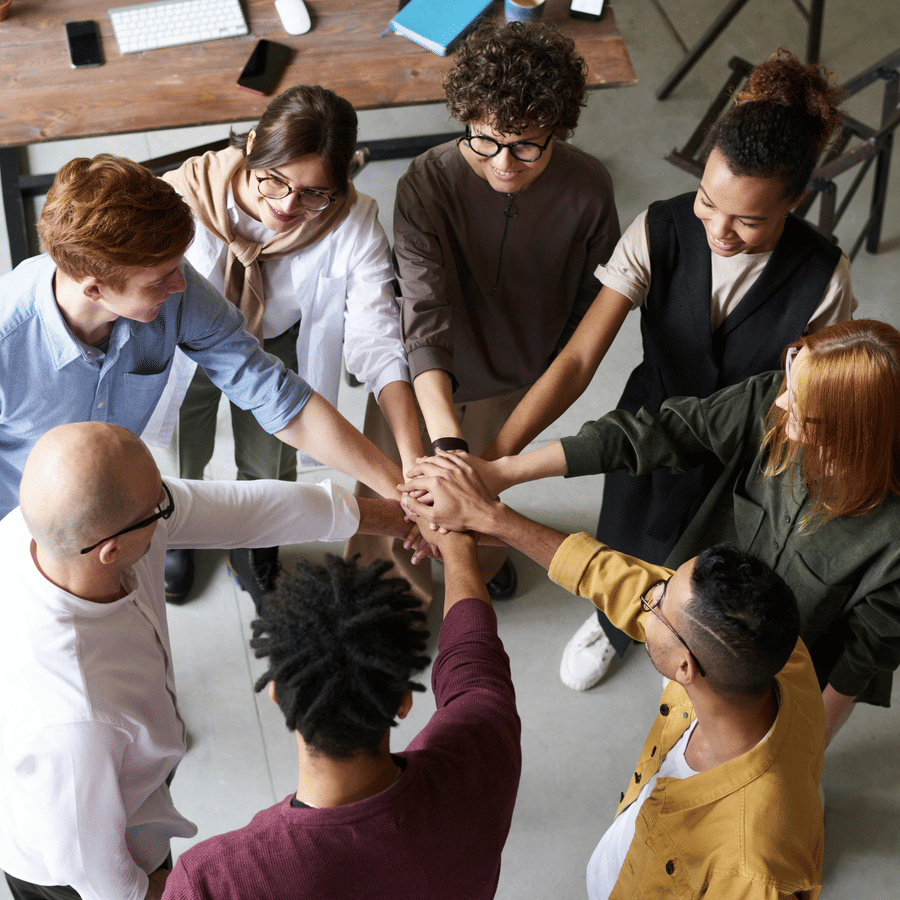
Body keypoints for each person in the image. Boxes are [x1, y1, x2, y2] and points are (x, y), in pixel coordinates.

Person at [481, 48, 855, 690]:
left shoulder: (823, 278)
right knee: (628, 534)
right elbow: (576, 360)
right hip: (649, 423)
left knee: (714, 565)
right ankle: (614, 622)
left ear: (795, 202)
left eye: (750, 219)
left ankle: (686, 640)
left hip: (746, 450)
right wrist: (496, 464)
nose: (719, 230)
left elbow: (816, 398)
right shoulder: (659, 229)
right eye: (710, 201)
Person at [420, 319, 900, 744]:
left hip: (779, 675)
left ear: (855, 432)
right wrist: (504, 472)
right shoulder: (773, 399)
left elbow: (863, 657)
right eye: (791, 378)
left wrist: (808, 742)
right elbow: (659, 433)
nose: (780, 399)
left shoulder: (891, 540)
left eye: (802, 408)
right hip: (694, 612)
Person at [0, 421, 416, 900]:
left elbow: (243, 512)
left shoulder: (56, 531)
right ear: (110, 551)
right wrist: (155, 891)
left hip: (117, 775)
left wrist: (392, 516)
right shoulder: (77, 720)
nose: (170, 507)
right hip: (74, 868)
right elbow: (90, 867)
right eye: (159, 505)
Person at [400, 454, 826, 899]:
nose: (647, 595)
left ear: (686, 667)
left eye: (658, 603)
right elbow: (621, 580)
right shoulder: (774, 652)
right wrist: (490, 518)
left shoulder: (754, 870)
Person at [0, 154, 408, 600]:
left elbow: (273, 392)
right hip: (17, 530)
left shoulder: (170, 282)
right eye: (160, 280)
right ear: (95, 287)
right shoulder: (7, 341)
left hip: (117, 523)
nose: (180, 286)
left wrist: (402, 491)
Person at [346, 18, 621, 604]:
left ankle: (484, 562)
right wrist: (447, 449)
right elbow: (422, 313)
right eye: (485, 140)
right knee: (400, 495)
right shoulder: (428, 181)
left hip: (515, 381)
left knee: (484, 505)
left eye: (526, 145)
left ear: (558, 129)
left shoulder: (590, 190)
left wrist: (478, 470)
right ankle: (394, 601)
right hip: (422, 378)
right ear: (465, 119)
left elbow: (586, 314)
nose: (503, 163)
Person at [155, 85, 422, 605]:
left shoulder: (352, 220)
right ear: (254, 144)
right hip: (188, 344)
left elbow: (377, 338)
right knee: (182, 444)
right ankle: (178, 526)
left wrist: (411, 463)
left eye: (312, 194)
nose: (285, 205)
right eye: (274, 181)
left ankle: (255, 541)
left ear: (339, 185)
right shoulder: (182, 194)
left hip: (277, 342)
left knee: (272, 458)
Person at [161, 534, 521, 898]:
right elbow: (474, 659)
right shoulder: (485, 747)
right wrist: (459, 549)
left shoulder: (212, 882)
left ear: (278, 696)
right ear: (404, 701)